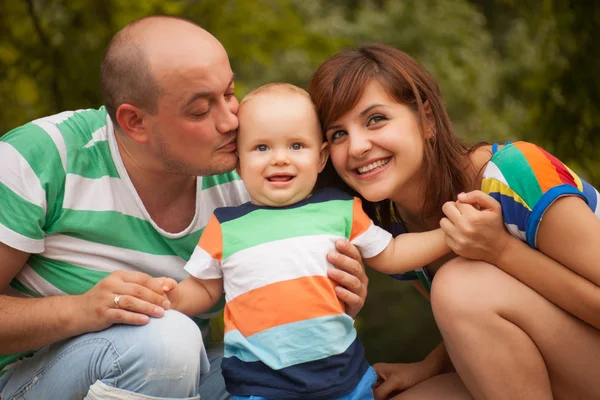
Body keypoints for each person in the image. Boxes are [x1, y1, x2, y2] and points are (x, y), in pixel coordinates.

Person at [0, 16, 369, 400]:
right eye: (200, 110)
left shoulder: (245, 173)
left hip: (188, 374)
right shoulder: (41, 157)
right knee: (165, 342)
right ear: (135, 121)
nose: (230, 121)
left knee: (291, 377)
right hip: (31, 378)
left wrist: (332, 285)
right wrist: (80, 311)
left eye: (229, 93)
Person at [309, 42, 600, 399]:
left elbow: (474, 296)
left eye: (376, 119)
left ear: (427, 120)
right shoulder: (394, 235)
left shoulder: (514, 173)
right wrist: (429, 366)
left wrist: (501, 250)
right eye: (338, 133)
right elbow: (498, 320)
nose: (356, 147)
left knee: (459, 285)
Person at [156, 83, 451, 399]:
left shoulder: (340, 210)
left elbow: (392, 252)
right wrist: (167, 298)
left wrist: (451, 233)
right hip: (259, 385)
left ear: (321, 157)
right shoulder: (226, 226)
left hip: (344, 379)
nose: (280, 159)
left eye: (296, 146)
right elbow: (202, 289)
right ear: (239, 162)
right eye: (262, 148)